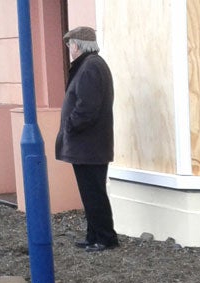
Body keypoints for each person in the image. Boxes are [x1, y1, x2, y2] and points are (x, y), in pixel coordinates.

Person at [55, 26, 119, 251]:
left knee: (94, 193)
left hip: (88, 146)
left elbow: (87, 108)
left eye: (69, 44)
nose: (69, 49)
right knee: (91, 193)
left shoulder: (90, 67)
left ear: (77, 45)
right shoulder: (92, 65)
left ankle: (104, 238)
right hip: (90, 146)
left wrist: (70, 125)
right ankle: (94, 235)